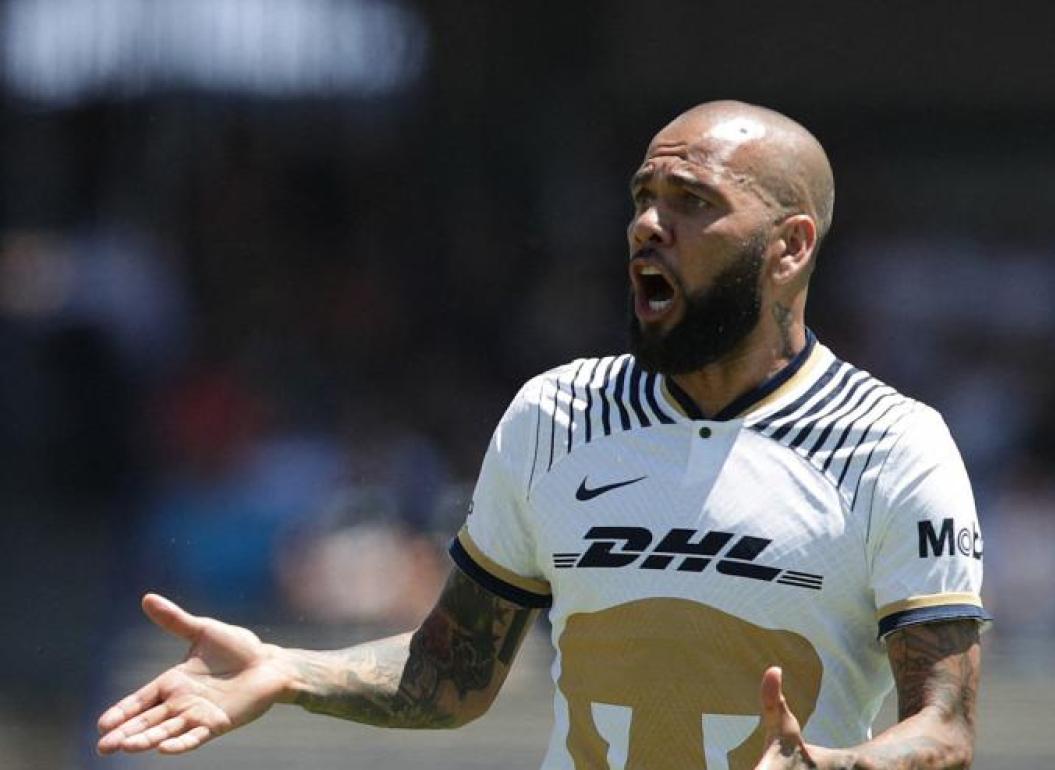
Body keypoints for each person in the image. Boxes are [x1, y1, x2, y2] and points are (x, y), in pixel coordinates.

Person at [97, 101, 988, 770]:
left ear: (790, 247)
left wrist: (841, 767)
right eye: (643, 198)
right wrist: (287, 670)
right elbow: (449, 675)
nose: (648, 225)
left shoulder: (893, 445)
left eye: (691, 201)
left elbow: (944, 728)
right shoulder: (556, 415)